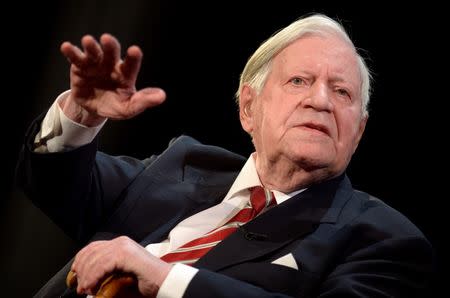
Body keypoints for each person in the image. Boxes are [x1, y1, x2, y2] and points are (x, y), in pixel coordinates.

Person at [16, 13, 434, 297]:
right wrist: (81, 114)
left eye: (342, 91)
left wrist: (165, 278)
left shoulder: (382, 238)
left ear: (358, 132)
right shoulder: (186, 165)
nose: (320, 101)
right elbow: (58, 188)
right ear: (248, 108)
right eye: (299, 81)